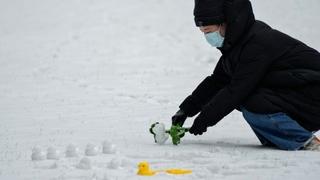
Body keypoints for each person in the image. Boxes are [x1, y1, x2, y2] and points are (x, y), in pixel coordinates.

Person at [171, 0, 320, 151]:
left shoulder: (258, 43)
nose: (208, 37)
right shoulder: (238, 44)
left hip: (313, 96)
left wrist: (204, 120)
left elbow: (237, 90)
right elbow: (217, 81)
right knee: (246, 96)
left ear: (226, 23)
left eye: (209, 31)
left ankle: (303, 140)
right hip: (298, 94)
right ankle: (280, 137)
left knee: (249, 99)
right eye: (203, 32)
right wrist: (185, 110)